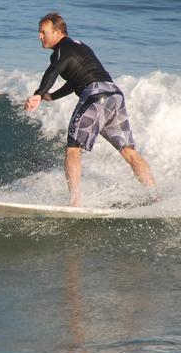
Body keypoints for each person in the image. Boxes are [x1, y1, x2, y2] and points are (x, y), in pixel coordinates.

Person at [24, 13, 156, 207]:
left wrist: (38, 94)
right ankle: (155, 195)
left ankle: (75, 202)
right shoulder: (78, 47)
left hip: (95, 95)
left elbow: (53, 70)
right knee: (129, 151)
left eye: (44, 32)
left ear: (58, 32)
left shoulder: (61, 49)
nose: (39, 36)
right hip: (114, 95)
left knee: (73, 149)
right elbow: (75, 80)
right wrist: (51, 96)